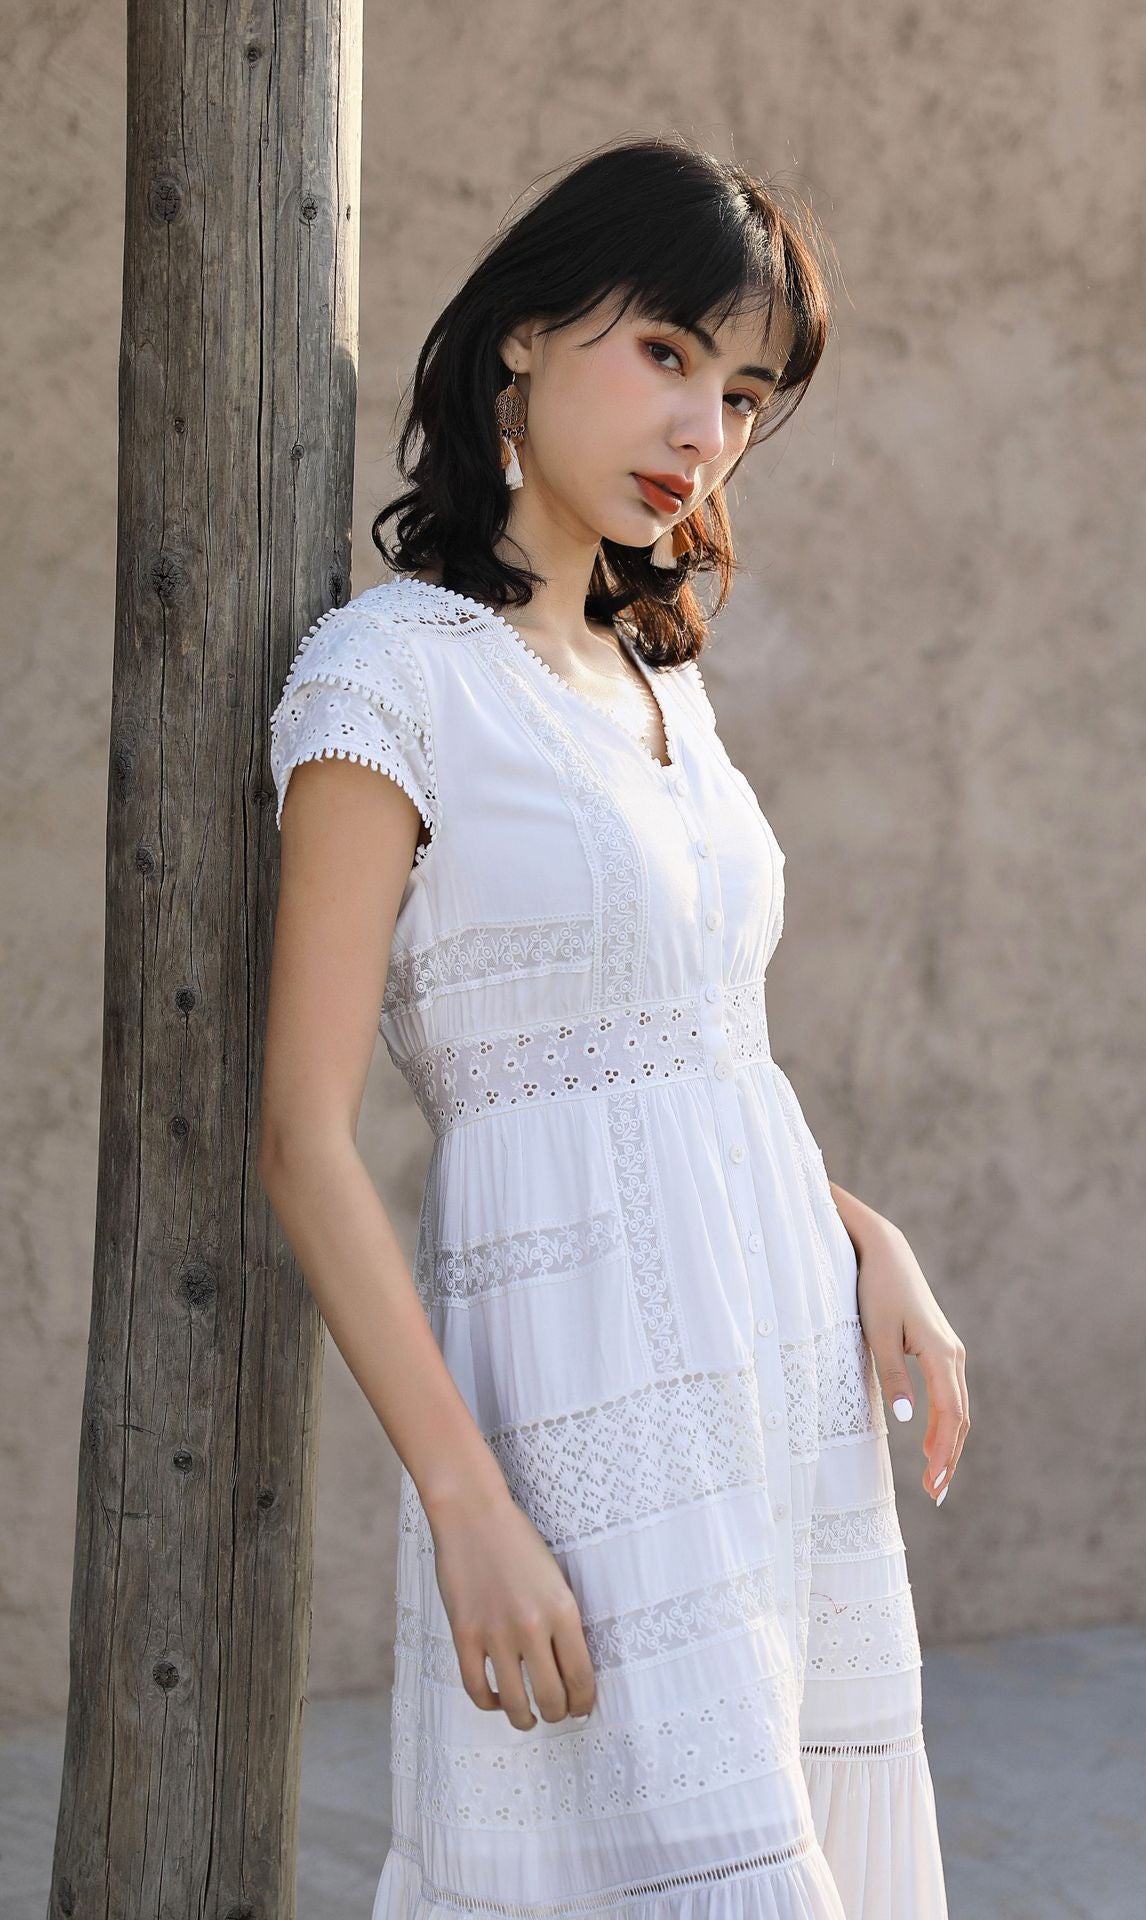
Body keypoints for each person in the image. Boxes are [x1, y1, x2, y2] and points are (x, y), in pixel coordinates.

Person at [260, 133, 967, 1920]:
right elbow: (300, 1136)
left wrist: (857, 1232)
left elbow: (685, 1052)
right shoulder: (389, 676)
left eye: (743, 397)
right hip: (581, 1404)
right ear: (524, 334)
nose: (702, 429)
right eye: (666, 353)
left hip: (777, 1380)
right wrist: (464, 1503)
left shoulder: (662, 682)